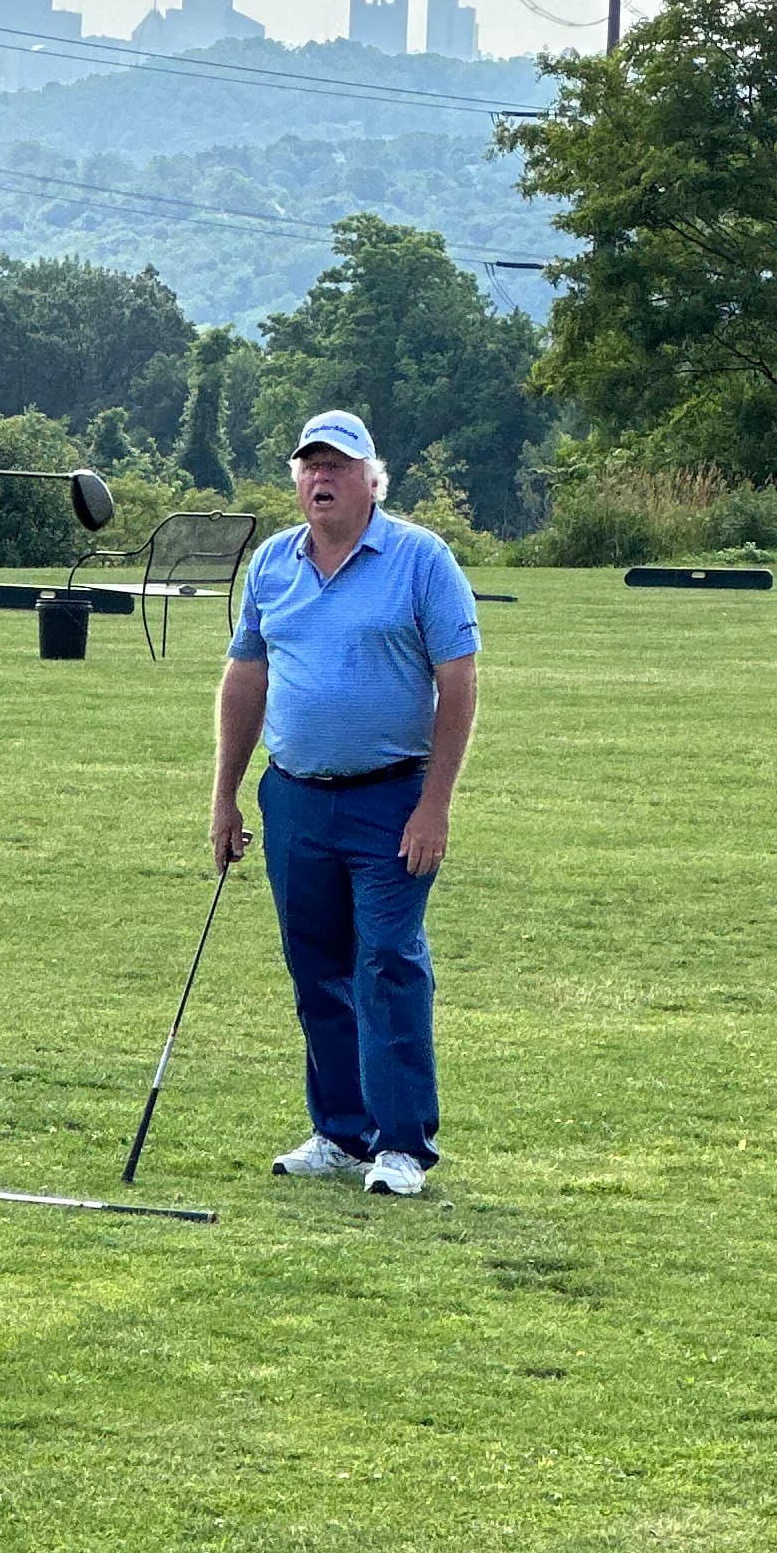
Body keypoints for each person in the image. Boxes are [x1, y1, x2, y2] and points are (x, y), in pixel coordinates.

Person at [209, 410, 481, 1199]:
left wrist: (435, 806)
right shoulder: (271, 565)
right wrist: (225, 797)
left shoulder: (421, 559)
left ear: (371, 479)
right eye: (308, 467)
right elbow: (247, 677)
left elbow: (458, 683)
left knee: (388, 961)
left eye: (337, 466)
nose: (320, 479)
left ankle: (402, 1144)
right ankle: (340, 1131)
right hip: (295, 799)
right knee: (316, 967)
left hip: (393, 797)